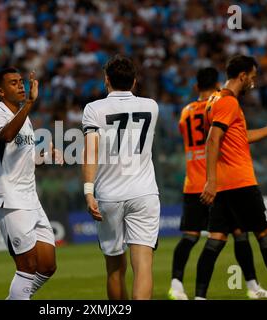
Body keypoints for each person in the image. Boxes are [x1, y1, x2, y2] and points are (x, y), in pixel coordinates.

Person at [196, 55, 267, 300]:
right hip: (240, 183)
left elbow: (239, 137)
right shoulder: (228, 102)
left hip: (226, 186)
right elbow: (213, 140)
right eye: (253, 77)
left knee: (215, 241)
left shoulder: (214, 100)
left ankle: (199, 298)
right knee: (266, 236)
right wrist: (210, 179)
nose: (254, 83)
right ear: (242, 76)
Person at [169, 67, 267, 300]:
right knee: (239, 234)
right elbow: (223, 138)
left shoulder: (185, 112)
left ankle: (177, 286)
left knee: (190, 236)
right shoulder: (216, 106)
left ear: (196, 87)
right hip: (217, 181)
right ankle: (252, 286)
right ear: (217, 85)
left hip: (193, 181)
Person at [82, 55, 160, 300]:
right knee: (143, 265)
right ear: (134, 81)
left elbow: (91, 151)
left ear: (107, 80)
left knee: (115, 269)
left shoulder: (94, 109)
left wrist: (88, 190)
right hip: (144, 193)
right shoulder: (151, 106)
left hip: (109, 195)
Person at [0, 67, 62, 300]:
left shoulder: (24, 119)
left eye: (21, 82)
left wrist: (45, 154)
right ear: (0, 91)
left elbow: (24, 157)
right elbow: (5, 136)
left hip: (31, 200)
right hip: (9, 200)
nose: (20, 86)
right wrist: (28, 104)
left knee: (47, 266)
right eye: (13, 83)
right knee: (27, 266)